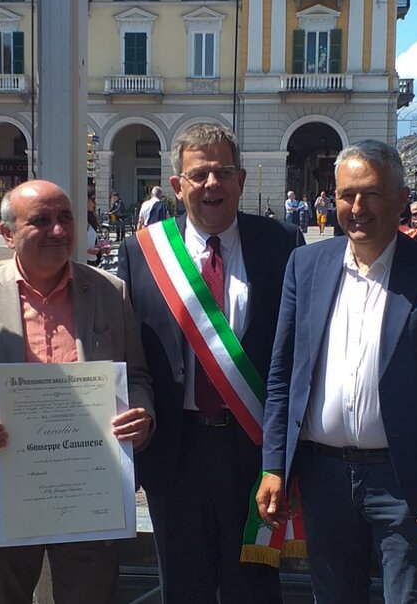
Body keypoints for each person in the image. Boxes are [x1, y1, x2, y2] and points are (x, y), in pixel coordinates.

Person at [257, 139, 417, 603]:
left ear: (402, 199)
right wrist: (273, 465)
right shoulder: (306, 264)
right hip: (324, 478)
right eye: (346, 195)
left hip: (407, 483)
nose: (357, 207)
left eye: (372, 193)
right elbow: (283, 376)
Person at [0, 180, 154, 603]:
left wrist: (142, 415)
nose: (58, 231)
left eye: (65, 218)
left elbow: (138, 377)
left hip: (90, 498)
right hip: (2, 499)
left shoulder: (111, 292)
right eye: (40, 221)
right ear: (7, 233)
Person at [117, 122, 304, 603]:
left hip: (254, 447)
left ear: (241, 179)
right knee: (183, 585)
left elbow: (300, 350)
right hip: (176, 450)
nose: (211, 184)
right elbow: (127, 349)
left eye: (222, 172)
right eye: (199, 175)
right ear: (177, 186)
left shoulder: (283, 243)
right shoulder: (143, 251)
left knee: (255, 584)